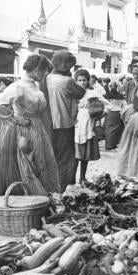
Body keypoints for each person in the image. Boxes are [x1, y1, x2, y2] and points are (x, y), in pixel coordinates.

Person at [0, 54, 61, 195]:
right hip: (23, 132)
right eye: (44, 70)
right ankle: (32, 197)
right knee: (29, 165)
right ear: (37, 69)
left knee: (43, 163)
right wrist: (15, 119)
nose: (46, 74)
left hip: (39, 130)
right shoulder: (18, 87)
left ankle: (45, 199)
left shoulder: (36, 86)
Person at [40, 50, 86, 191]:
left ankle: (48, 188)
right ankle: (58, 190)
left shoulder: (45, 78)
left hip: (46, 125)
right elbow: (81, 92)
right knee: (65, 160)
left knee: (50, 158)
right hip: (64, 126)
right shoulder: (67, 81)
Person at [72, 69, 101, 184]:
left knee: (85, 154)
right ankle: (72, 178)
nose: (82, 82)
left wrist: (96, 114)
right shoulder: (73, 93)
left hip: (88, 125)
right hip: (75, 125)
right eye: (79, 80)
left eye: (84, 80)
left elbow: (106, 106)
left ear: (88, 81)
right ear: (76, 81)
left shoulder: (92, 93)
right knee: (75, 155)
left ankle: (82, 177)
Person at [104, 82, 126, 150]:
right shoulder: (120, 96)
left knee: (108, 130)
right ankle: (113, 144)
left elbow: (104, 105)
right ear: (117, 87)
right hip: (117, 114)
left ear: (110, 87)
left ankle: (108, 145)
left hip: (109, 113)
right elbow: (124, 105)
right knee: (116, 130)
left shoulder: (107, 95)